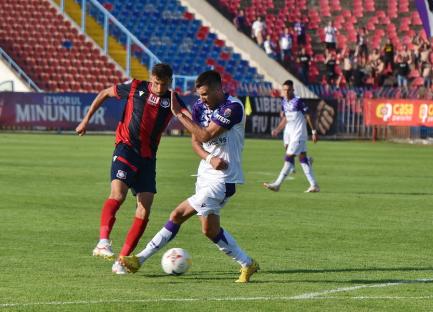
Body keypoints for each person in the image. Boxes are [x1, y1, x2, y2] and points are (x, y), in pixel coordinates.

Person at [120, 70, 259, 283]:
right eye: (199, 95)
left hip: (223, 179)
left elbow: (206, 135)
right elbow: (196, 141)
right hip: (205, 175)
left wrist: (178, 114)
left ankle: (139, 259)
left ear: (218, 89)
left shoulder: (233, 108)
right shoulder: (199, 108)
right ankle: (248, 264)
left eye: (205, 94)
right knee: (210, 230)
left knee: (177, 214)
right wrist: (209, 157)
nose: (201, 98)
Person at [75, 63, 189, 274]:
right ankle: (102, 242)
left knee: (144, 210)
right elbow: (104, 93)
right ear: (150, 78)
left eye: (164, 85)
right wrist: (86, 120)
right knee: (118, 195)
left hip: (148, 158)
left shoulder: (173, 99)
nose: (159, 88)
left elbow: (190, 119)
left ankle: (122, 260)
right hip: (126, 148)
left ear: (170, 82)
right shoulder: (135, 86)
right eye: (156, 83)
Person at [263, 80, 319, 193]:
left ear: (293, 90)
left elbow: (308, 115)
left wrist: (313, 131)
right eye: (284, 90)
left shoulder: (297, 101)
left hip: (299, 134)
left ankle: (277, 184)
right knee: (302, 159)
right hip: (291, 134)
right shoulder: (284, 102)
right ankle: (314, 185)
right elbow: (286, 118)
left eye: (289, 90)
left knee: (289, 157)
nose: (287, 92)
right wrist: (278, 129)